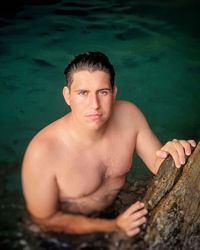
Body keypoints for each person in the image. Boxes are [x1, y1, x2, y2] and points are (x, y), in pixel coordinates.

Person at [22, 51, 196, 237]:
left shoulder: (129, 115)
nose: (94, 104)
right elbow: (44, 221)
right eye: (83, 93)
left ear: (113, 93)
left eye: (102, 92)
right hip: (65, 234)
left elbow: (158, 163)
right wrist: (113, 226)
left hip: (117, 209)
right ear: (67, 96)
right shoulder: (43, 152)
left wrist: (174, 152)